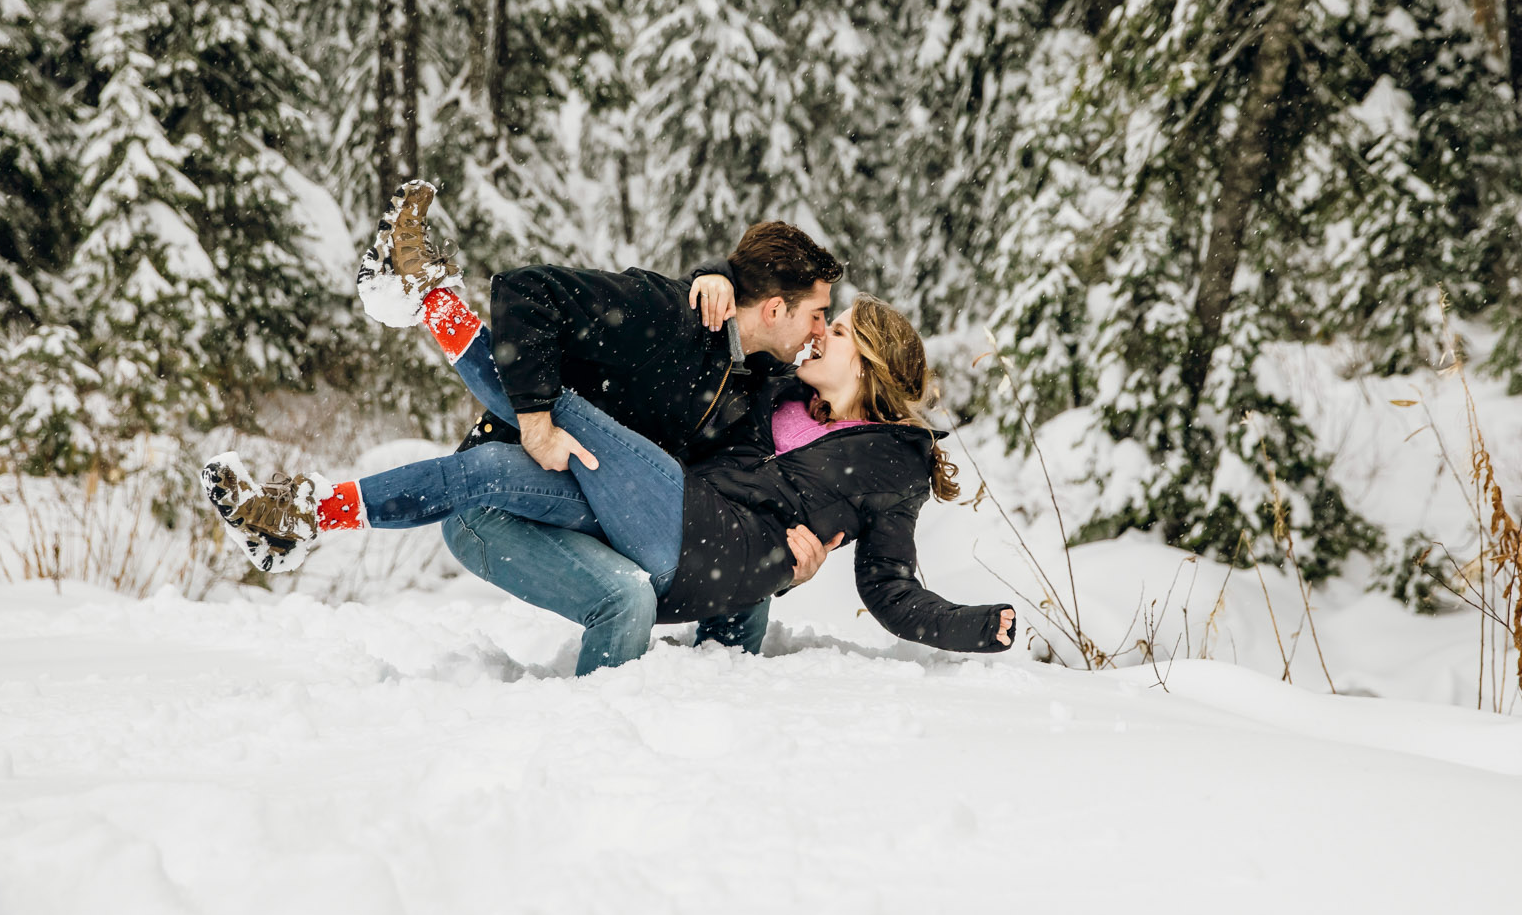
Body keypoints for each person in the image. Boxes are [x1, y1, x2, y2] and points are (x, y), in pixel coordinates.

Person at [203, 185, 1015, 671]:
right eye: (822, 320)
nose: (820, 332)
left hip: (698, 543)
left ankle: (423, 293)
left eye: (835, 331)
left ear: (872, 366)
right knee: (492, 474)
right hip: (661, 509)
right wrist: (712, 277)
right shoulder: (773, 388)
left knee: (554, 417)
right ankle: (301, 516)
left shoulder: (892, 463)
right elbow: (732, 333)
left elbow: (889, 585)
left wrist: (976, 626)